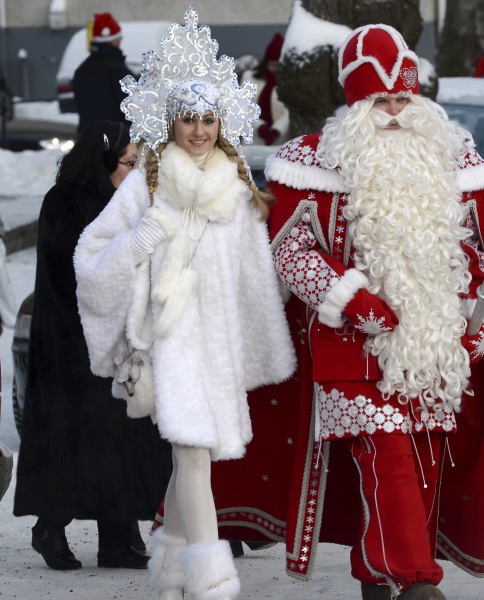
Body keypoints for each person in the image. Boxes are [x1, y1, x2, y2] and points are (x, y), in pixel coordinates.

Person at [259, 24, 484, 600]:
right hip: (348, 346)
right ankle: (416, 580)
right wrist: (348, 298)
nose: (394, 113)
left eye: (403, 100)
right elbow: (289, 249)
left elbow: (476, 250)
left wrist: (475, 321)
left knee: (421, 466)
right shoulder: (310, 164)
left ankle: (376, 571)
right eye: (380, 102)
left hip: (432, 346)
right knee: (388, 455)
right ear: (354, 102)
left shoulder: (454, 158)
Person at [73, 8, 296, 600]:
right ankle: (212, 579)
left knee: (192, 455)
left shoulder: (241, 192)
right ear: (170, 122)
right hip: (170, 343)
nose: (198, 130)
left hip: (216, 346)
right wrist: (143, 237)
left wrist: (261, 344)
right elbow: (89, 259)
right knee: (194, 451)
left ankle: (172, 566)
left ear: (221, 122)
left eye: (207, 118)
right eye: (187, 118)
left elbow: (257, 282)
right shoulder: (147, 185)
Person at [12, 120, 172, 572]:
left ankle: (119, 538)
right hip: (69, 342)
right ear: (100, 162)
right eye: (126, 163)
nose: (132, 171)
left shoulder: (121, 199)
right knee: (72, 439)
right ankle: (50, 527)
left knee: (118, 437)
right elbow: (72, 269)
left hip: (113, 339)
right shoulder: (64, 200)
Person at [73, 12, 132, 135]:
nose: (120, 40)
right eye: (118, 37)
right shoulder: (117, 70)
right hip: (116, 139)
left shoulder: (82, 70)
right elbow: (131, 107)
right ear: (112, 40)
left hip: (88, 138)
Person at [249, 32, 288, 145]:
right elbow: (245, 107)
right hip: (254, 140)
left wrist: (276, 130)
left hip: (279, 141)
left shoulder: (287, 84)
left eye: (279, 65)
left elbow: (288, 113)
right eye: (273, 64)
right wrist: (260, 126)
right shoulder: (250, 78)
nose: (275, 69)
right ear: (266, 63)